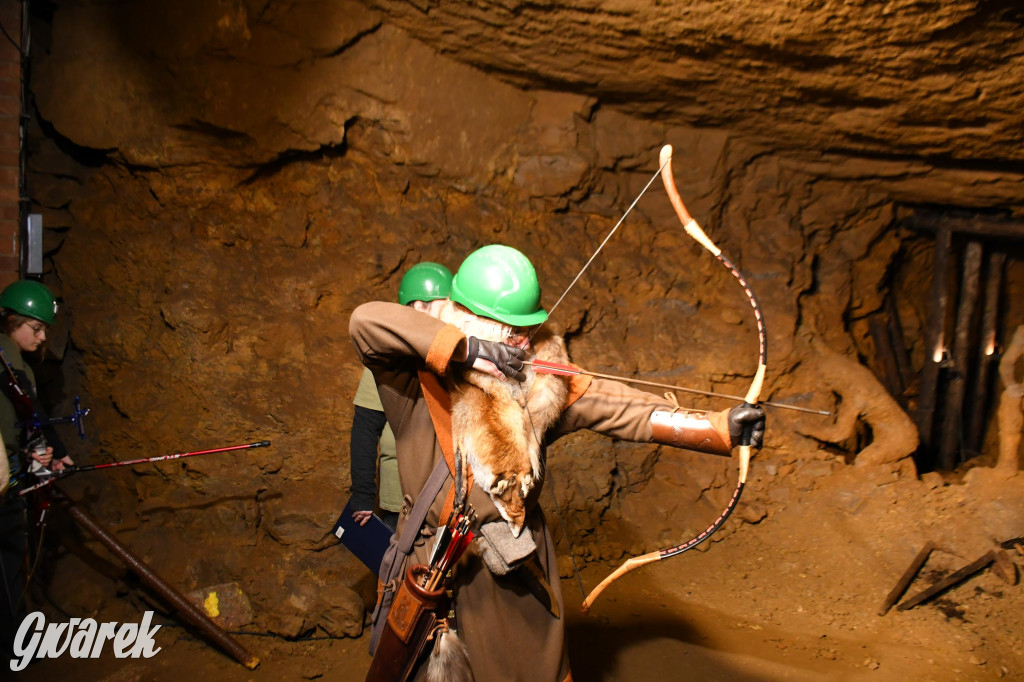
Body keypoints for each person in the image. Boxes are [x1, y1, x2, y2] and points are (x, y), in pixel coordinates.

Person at [349, 245, 766, 681]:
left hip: (511, 563)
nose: (521, 341)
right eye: (508, 329)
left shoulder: (542, 378)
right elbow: (366, 321)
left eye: (526, 328)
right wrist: (466, 351)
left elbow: (620, 407)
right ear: (469, 319)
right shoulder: (417, 373)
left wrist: (719, 427)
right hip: (431, 563)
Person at [350, 262, 453, 531]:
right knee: (399, 570)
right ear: (419, 307)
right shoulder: (386, 360)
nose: (453, 313)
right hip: (402, 501)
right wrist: (363, 495)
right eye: (446, 304)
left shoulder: (451, 356)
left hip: (447, 498)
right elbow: (365, 428)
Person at [0, 280, 72, 657]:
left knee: (12, 559)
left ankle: (16, 641)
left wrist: (47, 451)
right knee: (8, 558)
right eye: (37, 328)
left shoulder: (15, 364)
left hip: (11, 472)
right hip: (4, 477)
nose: (43, 337)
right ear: (12, 322)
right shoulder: (6, 363)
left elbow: (32, 414)